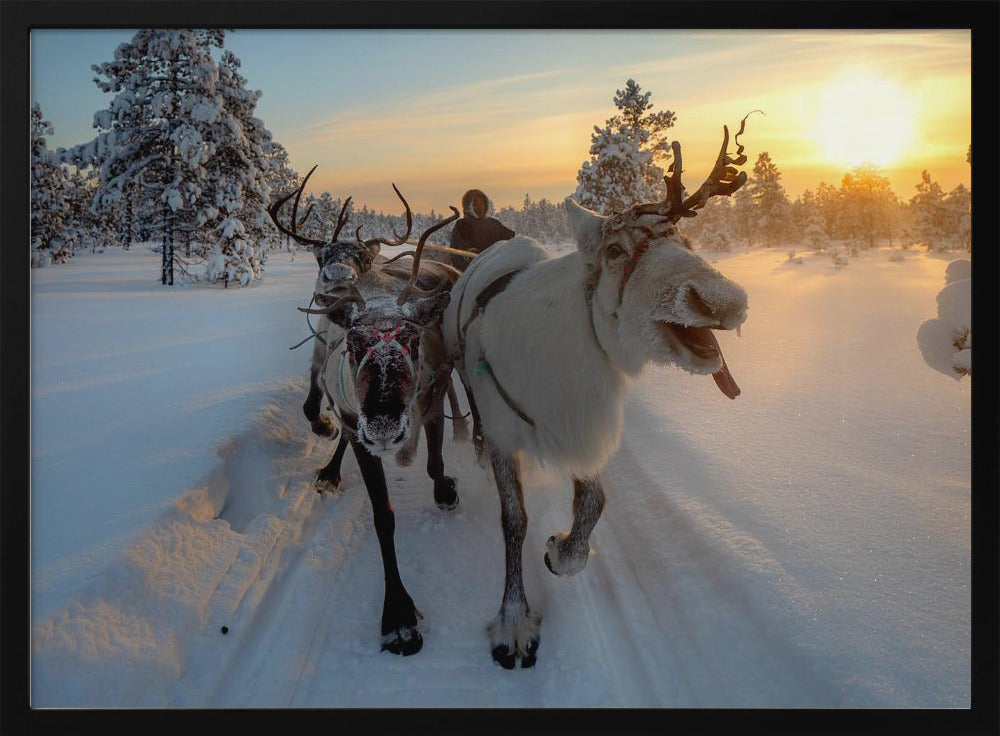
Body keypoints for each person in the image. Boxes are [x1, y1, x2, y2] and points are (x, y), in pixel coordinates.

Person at [446, 188, 515, 271]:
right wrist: (473, 255)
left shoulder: (494, 224)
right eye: (475, 204)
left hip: (496, 268)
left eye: (481, 204)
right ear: (468, 206)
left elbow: (510, 240)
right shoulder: (462, 225)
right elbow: (462, 252)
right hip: (470, 271)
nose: (479, 207)